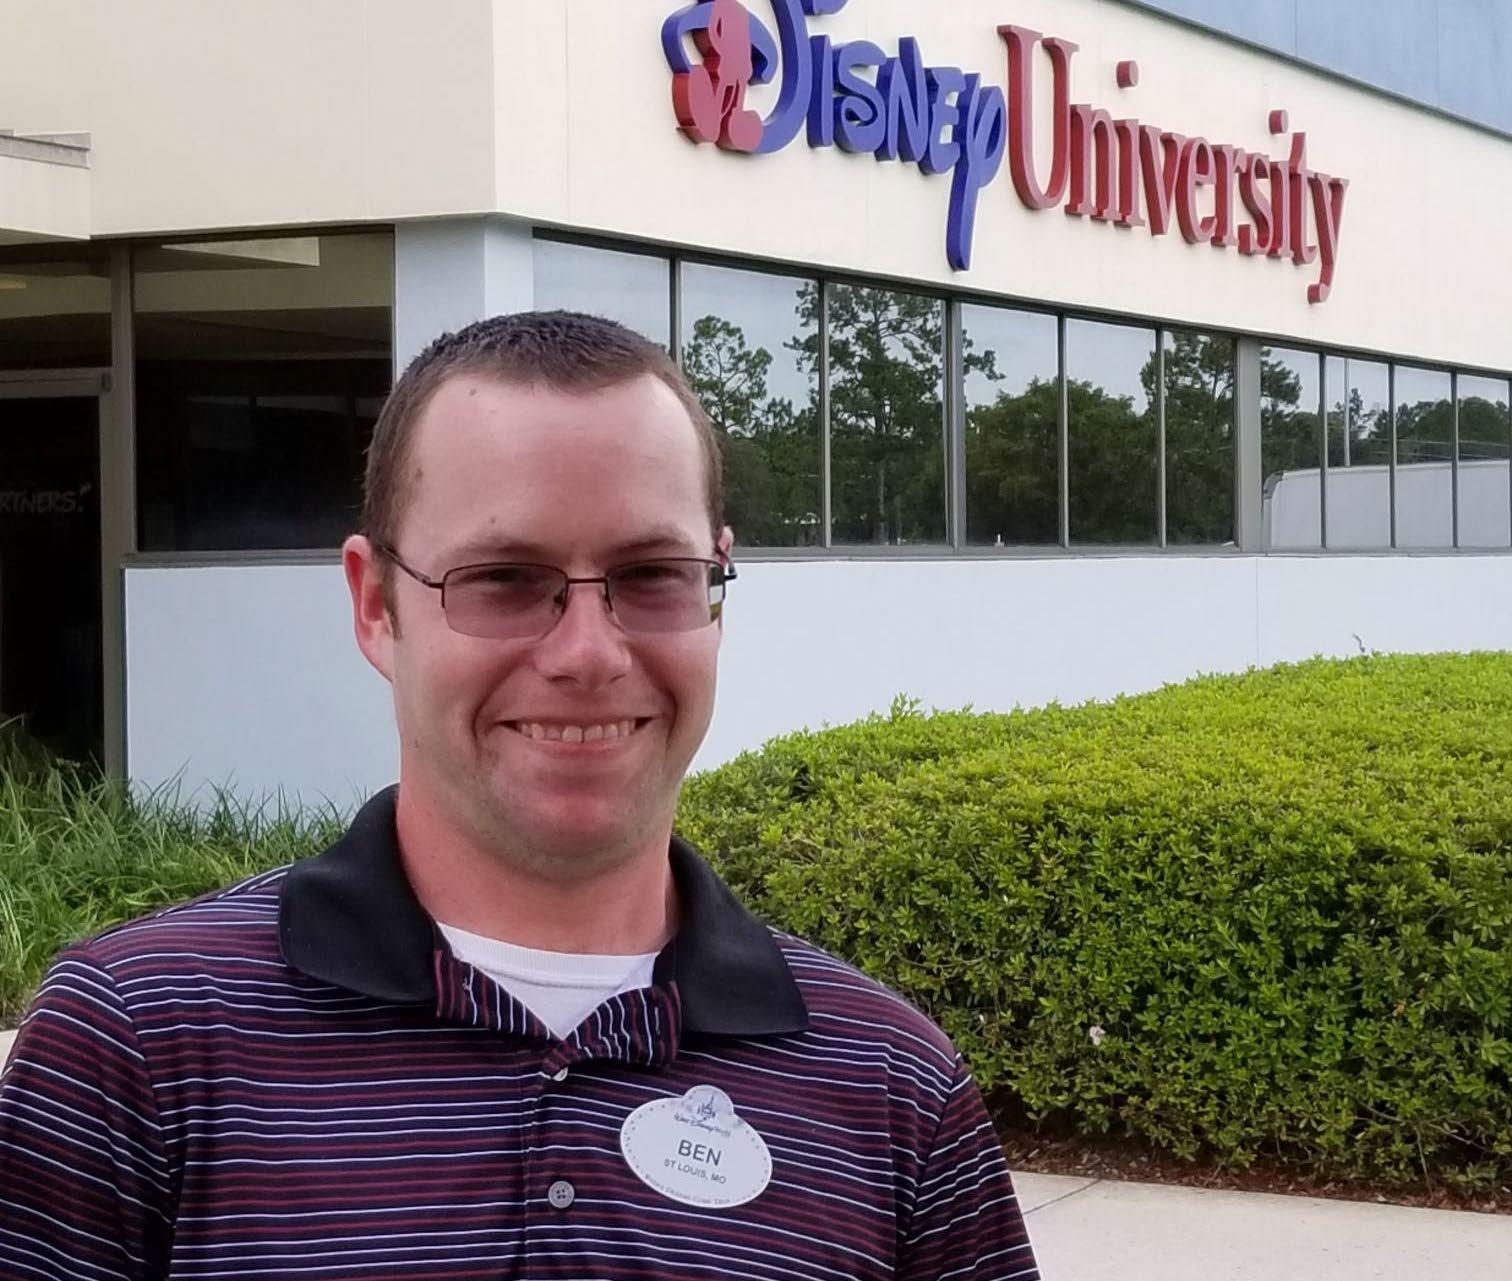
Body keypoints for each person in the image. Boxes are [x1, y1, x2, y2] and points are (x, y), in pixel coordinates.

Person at [0, 311, 1042, 1280]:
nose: (588, 653)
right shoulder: (136, 1050)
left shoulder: (890, 1089)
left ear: (716, 590)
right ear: (375, 606)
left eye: (652, 574)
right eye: (503, 579)